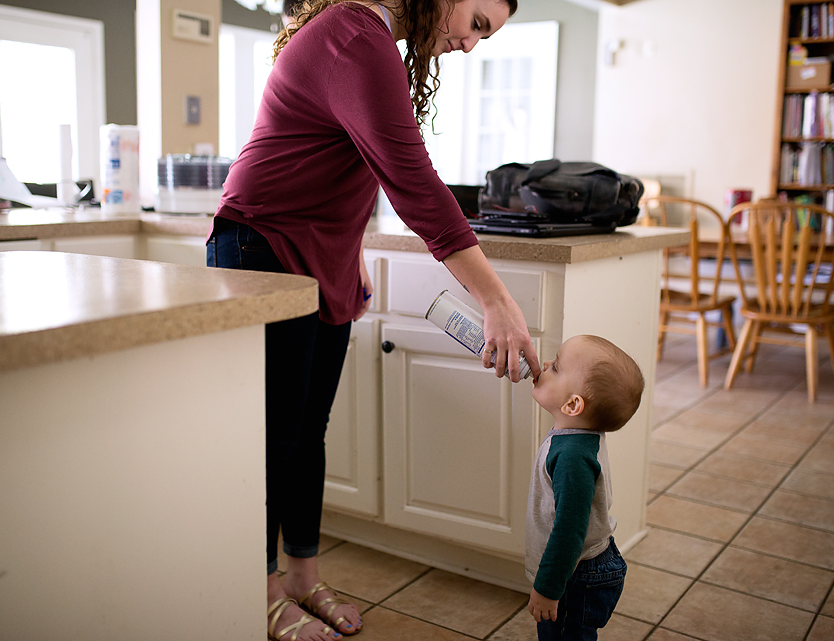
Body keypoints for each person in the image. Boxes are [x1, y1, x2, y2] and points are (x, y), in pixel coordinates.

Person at [205, 0, 538, 639]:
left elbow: (350, 160)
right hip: (262, 242)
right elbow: (409, 178)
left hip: (321, 253)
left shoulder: (375, 42)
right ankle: (259, 586)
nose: (472, 45)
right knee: (272, 439)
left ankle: (302, 575)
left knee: (308, 434)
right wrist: (496, 299)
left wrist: (350, 248)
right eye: (477, 23)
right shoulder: (356, 32)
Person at [526, 335, 644, 641]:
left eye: (556, 366)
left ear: (573, 404)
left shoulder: (572, 458)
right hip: (580, 567)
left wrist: (548, 589)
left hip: (578, 575)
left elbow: (569, 531)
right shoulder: (577, 434)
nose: (546, 363)